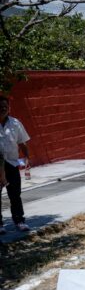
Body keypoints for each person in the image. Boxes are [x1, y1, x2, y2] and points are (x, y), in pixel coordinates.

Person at [0, 96, 31, 233]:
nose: (3, 109)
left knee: (15, 195)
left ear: (9, 108)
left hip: (12, 164)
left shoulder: (15, 123)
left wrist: (27, 158)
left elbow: (22, 142)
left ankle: (19, 221)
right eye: (0, 106)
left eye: (5, 106)